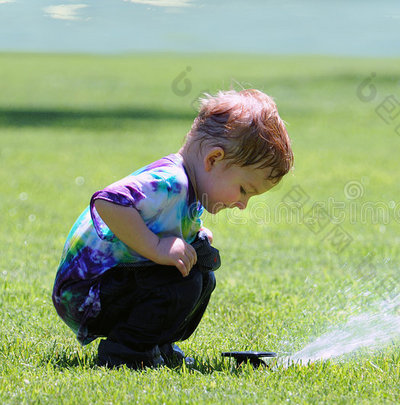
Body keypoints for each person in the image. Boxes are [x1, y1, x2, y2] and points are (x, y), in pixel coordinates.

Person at [52, 89, 293, 369]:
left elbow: (168, 224)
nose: (243, 204)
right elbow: (108, 201)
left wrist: (195, 237)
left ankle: (155, 344)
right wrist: (156, 247)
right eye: (243, 190)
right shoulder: (171, 181)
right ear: (213, 159)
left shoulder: (191, 191)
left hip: (108, 287)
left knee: (200, 273)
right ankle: (127, 352)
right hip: (85, 294)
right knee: (183, 283)